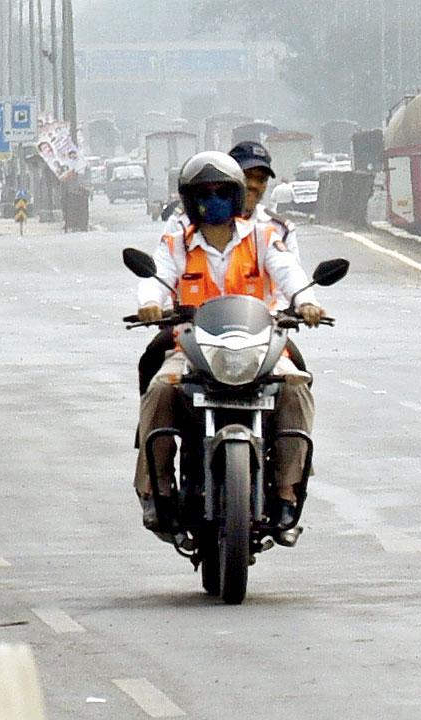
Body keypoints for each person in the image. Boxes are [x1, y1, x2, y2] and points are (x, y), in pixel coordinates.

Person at [134, 152, 326, 534]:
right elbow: (155, 278)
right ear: (190, 199)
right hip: (192, 352)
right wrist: (150, 304)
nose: (215, 199)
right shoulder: (176, 242)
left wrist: (307, 302)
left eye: (224, 191)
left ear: (237, 196)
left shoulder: (265, 236)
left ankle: (288, 489)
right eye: (205, 192)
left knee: (296, 387)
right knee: (159, 389)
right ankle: (155, 490)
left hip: (261, 351)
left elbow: (290, 273)